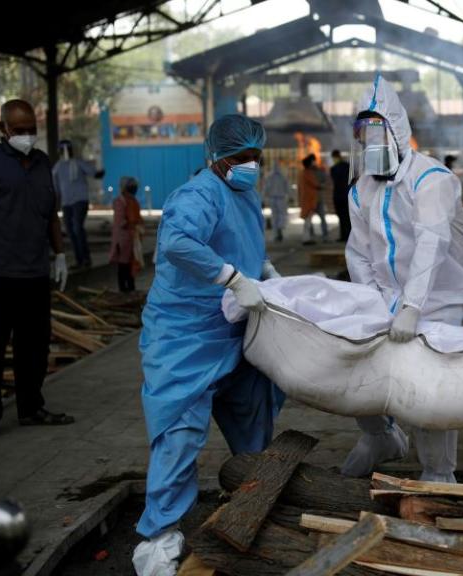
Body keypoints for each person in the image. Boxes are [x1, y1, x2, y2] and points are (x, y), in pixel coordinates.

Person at [132, 114, 284, 576]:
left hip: (232, 330)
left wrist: (266, 270)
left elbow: (244, 246)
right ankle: (158, 536)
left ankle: (249, 503)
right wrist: (233, 277)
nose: (251, 166)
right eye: (242, 158)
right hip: (185, 334)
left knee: (253, 416)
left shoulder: (244, 194)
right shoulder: (198, 194)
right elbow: (178, 242)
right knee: (179, 434)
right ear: (217, 158)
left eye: (256, 158)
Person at [342, 75, 463, 483]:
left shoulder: (430, 179)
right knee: (355, 365)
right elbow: (359, 251)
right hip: (389, 300)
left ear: (398, 134)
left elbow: (431, 245)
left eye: (376, 134)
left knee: (429, 390)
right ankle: (380, 436)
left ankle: (438, 473)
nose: (369, 145)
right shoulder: (362, 188)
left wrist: (414, 306)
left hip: (441, 300)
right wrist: (373, 301)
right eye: (362, 136)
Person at [0, 99, 73, 446]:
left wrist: (59, 254)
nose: (27, 136)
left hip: (34, 273)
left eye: (32, 129)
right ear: (3, 129)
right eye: (19, 130)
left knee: (35, 346)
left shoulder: (42, 161)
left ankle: (31, 407)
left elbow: (51, 213)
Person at [53, 139, 105, 269]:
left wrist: (99, 169)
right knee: (71, 231)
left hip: (80, 201)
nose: (65, 151)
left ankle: (86, 259)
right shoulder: (57, 167)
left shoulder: (78, 163)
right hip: (67, 203)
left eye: (67, 149)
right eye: (63, 149)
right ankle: (80, 260)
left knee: (77, 228)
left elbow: (94, 173)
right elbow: (55, 188)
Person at [110, 177, 144, 293]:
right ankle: (124, 290)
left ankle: (130, 288)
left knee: (130, 264)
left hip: (132, 239)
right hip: (123, 239)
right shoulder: (120, 201)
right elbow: (120, 222)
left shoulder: (132, 201)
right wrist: (133, 224)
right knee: (123, 265)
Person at [298, 153, 329, 245]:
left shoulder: (303, 173)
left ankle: (308, 238)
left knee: (308, 220)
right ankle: (306, 239)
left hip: (310, 199)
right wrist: (322, 186)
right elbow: (316, 184)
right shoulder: (308, 173)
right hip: (311, 200)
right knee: (308, 221)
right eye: (313, 161)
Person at [264, 160, 289, 242]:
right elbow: (287, 187)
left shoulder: (270, 176)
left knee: (275, 216)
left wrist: (263, 198)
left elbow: (266, 188)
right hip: (280, 198)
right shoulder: (282, 176)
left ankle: (277, 232)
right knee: (281, 215)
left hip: (273, 198)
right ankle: (279, 230)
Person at [330, 149, 351, 242]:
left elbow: (334, 180)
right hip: (347, 195)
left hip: (338, 196)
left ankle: (344, 236)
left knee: (342, 218)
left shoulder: (333, 169)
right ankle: (350, 237)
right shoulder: (348, 166)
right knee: (348, 217)